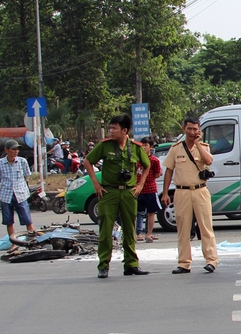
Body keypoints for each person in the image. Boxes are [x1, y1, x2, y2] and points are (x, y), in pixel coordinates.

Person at [83, 114, 151, 279]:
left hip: (128, 192)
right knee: (105, 229)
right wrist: (96, 184)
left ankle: (131, 265)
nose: (111, 131)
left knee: (130, 229)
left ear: (125, 130)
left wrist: (140, 185)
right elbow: (87, 161)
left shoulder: (135, 147)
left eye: (114, 128)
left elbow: (147, 165)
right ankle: (103, 265)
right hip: (109, 192)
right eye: (110, 127)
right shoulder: (105, 145)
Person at [161, 117, 219, 274]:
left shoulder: (204, 147)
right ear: (183, 129)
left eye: (195, 129)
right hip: (181, 191)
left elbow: (209, 161)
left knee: (205, 227)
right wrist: (165, 192)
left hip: (200, 191)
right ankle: (184, 263)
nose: (192, 132)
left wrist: (198, 144)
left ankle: (211, 260)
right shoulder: (176, 148)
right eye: (190, 129)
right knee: (183, 228)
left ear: (199, 130)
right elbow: (169, 171)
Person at [0, 139, 37, 253]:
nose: (16, 151)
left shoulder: (22, 162)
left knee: (27, 220)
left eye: (17, 149)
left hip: (21, 194)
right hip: (6, 195)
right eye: (13, 149)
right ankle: (14, 243)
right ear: (6, 150)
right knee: (9, 221)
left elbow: (27, 176)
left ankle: (33, 242)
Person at [135, 136, 162, 243]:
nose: (144, 147)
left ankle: (149, 233)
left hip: (150, 189)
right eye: (142, 145)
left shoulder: (154, 160)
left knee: (151, 212)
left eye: (146, 145)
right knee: (138, 212)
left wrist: (148, 179)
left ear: (150, 147)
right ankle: (138, 233)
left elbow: (157, 173)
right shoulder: (136, 159)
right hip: (138, 189)